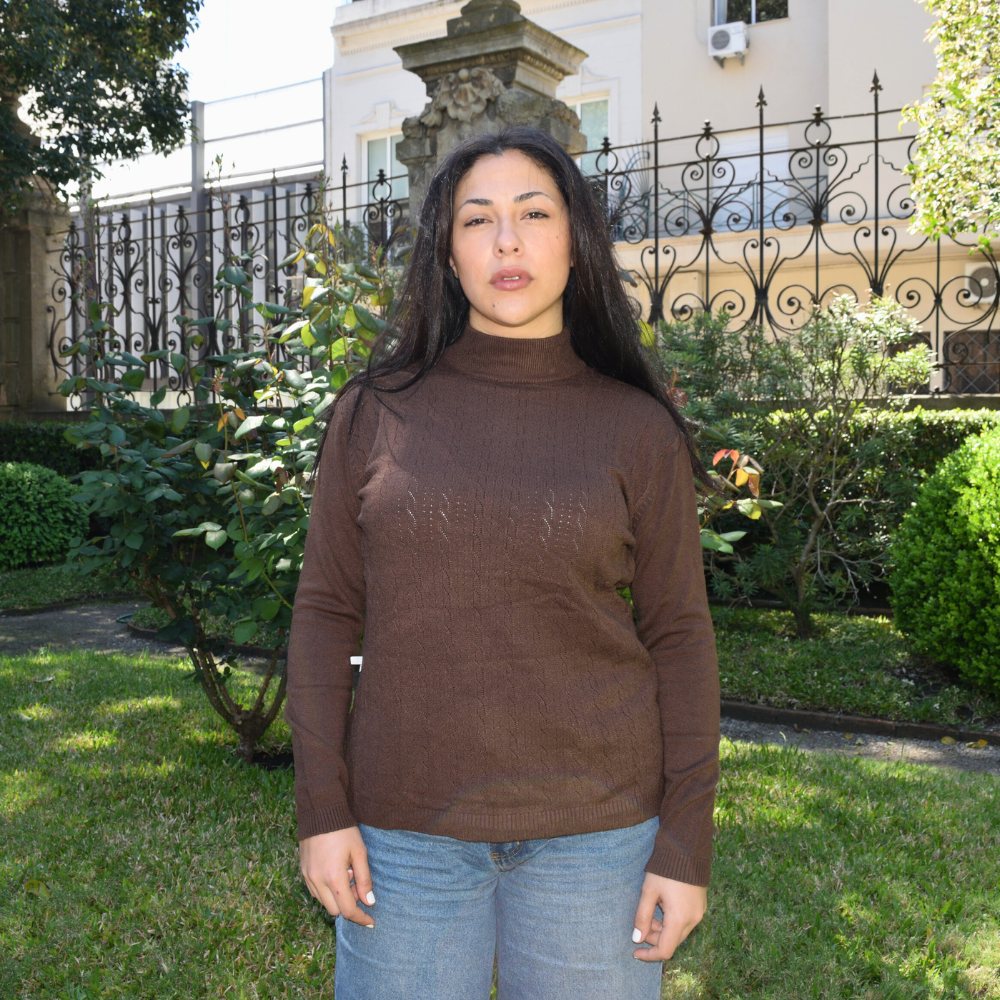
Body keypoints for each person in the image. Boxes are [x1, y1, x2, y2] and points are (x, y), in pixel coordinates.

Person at [285, 126, 720, 1000]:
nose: (508, 241)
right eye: (478, 219)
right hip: (403, 836)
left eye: (534, 213)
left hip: (598, 839)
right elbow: (326, 613)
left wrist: (685, 842)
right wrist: (322, 810)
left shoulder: (636, 429)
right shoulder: (372, 413)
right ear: (449, 256)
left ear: (577, 241)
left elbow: (679, 635)